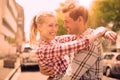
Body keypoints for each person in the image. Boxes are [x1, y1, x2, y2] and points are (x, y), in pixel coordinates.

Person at [39, 3, 117, 80]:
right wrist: (46, 68)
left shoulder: (89, 45)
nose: (64, 25)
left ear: (80, 20)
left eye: (67, 22)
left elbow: (68, 78)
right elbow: (53, 41)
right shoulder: (75, 39)